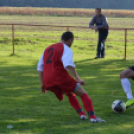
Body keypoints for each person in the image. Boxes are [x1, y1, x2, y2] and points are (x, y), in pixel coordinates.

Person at [37, 31, 106, 123]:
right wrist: (77, 78)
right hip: (60, 77)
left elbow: (40, 67)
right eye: (72, 42)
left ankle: (82, 114)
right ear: (70, 40)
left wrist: (42, 84)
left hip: (48, 80)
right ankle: (93, 118)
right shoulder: (66, 49)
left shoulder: (47, 49)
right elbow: (68, 65)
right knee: (83, 93)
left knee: (69, 93)